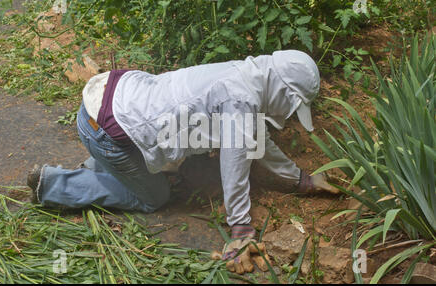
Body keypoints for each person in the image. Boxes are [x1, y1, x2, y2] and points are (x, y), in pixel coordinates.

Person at [27, 50, 339, 274]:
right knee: (155, 197)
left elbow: (256, 138)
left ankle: (106, 164)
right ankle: (53, 186)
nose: (290, 111)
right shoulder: (242, 99)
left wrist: (302, 179)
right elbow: (235, 165)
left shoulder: (250, 76)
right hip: (105, 127)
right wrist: (241, 229)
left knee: (177, 159)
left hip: (118, 95)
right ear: (285, 90)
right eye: (294, 104)